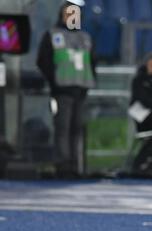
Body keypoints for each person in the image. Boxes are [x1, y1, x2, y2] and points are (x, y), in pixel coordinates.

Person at [36, 0, 96, 178]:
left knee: (77, 129)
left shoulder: (85, 37)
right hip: (62, 90)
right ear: (62, 15)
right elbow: (43, 60)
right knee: (62, 129)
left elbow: (92, 62)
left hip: (81, 90)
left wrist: (89, 81)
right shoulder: (52, 35)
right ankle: (62, 166)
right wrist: (54, 81)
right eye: (68, 14)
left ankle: (75, 166)